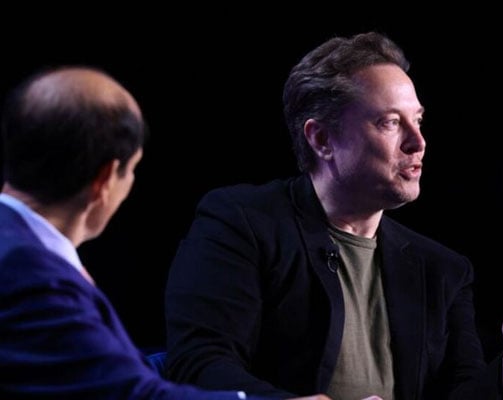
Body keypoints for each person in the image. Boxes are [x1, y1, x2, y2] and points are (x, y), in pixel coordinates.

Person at [164, 32, 503, 399]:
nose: (418, 142)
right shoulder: (241, 223)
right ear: (321, 139)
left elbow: (457, 391)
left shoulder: (442, 270)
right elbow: (198, 365)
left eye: (417, 120)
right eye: (389, 122)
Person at [0, 66, 328, 400]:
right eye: (132, 171)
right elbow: (128, 395)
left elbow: (85, 368)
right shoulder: (29, 273)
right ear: (105, 180)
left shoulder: (23, 251)